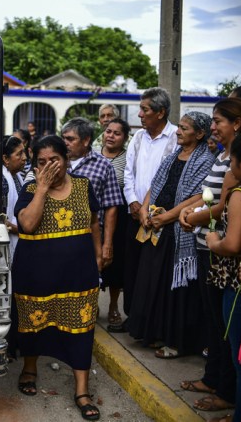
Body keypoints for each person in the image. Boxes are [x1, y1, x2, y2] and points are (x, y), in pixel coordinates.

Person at [12, 135, 102, 421]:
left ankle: (82, 390)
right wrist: (41, 188)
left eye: (55, 160)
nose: (49, 166)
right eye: (41, 162)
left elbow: (94, 222)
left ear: (67, 159)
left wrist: (100, 257)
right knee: (33, 326)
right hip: (36, 276)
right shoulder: (29, 189)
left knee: (81, 330)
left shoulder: (84, 187)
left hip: (78, 276)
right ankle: (29, 369)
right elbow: (26, 224)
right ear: (35, 166)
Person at [128, 112, 215, 359]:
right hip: (155, 228)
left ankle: (175, 341)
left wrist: (167, 217)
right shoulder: (172, 156)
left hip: (176, 231)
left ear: (199, 134)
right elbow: (155, 186)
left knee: (173, 289)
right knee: (153, 283)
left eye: (184, 128)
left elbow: (198, 197)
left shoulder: (205, 161)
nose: (178, 131)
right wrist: (145, 210)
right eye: (179, 127)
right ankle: (155, 333)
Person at [179, 97, 241, 414]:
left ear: (237, 123)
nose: (213, 126)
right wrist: (192, 212)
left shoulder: (237, 161)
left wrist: (193, 217)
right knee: (212, 322)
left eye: (218, 121)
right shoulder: (222, 156)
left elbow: (224, 206)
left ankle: (226, 391)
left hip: (219, 252)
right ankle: (212, 377)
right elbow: (210, 201)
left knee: (223, 327)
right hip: (206, 245)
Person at [114, 87, 178, 333]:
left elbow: (168, 178)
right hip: (135, 214)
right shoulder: (139, 137)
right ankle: (133, 318)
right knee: (131, 268)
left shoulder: (174, 137)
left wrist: (150, 212)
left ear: (161, 112)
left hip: (160, 219)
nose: (140, 115)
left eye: (145, 109)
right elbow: (128, 173)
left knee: (153, 273)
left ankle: (150, 323)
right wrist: (133, 202)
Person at [205, 132, 241, 422]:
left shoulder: (239, 195)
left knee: (238, 354)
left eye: (231, 163)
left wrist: (214, 239)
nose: (228, 169)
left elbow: (231, 245)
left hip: (238, 286)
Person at [62, 117, 123, 284]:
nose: (65, 143)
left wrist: (107, 245)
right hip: (58, 234)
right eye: (63, 138)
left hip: (89, 236)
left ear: (86, 140)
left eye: (70, 139)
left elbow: (111, 207)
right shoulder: (56, 162)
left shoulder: (103, 165)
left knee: (87, 283)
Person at [100, 118, 131, 327]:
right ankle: (91, 304)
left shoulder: (129, 159)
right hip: (93, 216)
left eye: (116, 133)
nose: (111, 136)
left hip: (118, 217)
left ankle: (113, 306)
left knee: (115, 264)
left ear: (125, 138)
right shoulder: (92, 156)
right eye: (108, 131)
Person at [1, 135, 27, 258]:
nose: (24, 158)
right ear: (6, 159)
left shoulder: (17, 176)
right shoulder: (2, 179)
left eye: (24, 153)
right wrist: (22, 230)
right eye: (19, 154)